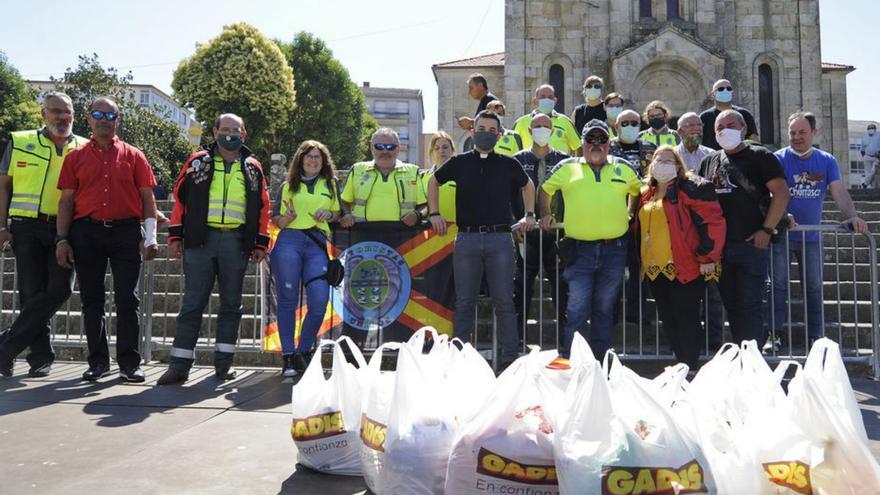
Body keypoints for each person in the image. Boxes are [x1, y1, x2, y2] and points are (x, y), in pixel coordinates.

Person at [158, 114, 270, 385]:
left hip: (236, 242)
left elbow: (263, 207)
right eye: (225, 129)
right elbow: (180, 200)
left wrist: (260, 242)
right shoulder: (197, 161)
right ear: (215, 130)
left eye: (236, 130)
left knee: (232, 305)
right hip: (200, 240)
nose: (230, 134)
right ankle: (179, 366)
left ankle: (224, 365)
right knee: (192, 304)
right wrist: (175, 237)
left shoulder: (253, 167)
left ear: (244, 134)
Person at [55, 97, 159, 382]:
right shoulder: (74, 158)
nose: (103, 119)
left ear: (118, 120)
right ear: (88, 119)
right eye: (97, 114)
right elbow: (66, 202)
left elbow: (147, 198)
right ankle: (98, 362)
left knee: (128, 299)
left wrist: (150, 236)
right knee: (92, 300)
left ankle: (129, 363)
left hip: (126, 233)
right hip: (86, 233)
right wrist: (61, 240)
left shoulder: (134, 155)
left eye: (109, 115)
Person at [427, 110, 536, 370]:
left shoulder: (508, 163)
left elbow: (528, 185)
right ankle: (459, 358)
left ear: (499, 135)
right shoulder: (459, 162)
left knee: (504, 301)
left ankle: (509, 359)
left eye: (492, 130)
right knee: (465, 301)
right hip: (467, 240)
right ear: (472, 132)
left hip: (500, 240)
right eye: (482, 129)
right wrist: (434, 213)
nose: (486, 133)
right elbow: (433, 181)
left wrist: (529, 214)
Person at [0, 93, 87, 378]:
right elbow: (4, 187)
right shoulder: (20, 140)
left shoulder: (85, 147)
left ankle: (6, 347)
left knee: (61, 289)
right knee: (31, 294)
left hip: (67, 229)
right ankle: (40, 357)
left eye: (67, 112)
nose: (62, 117)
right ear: (43, 113)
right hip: (26, 226)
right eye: (56, 111)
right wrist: (2, 226)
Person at [539, 120, 642, 360]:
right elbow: (545, 189)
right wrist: (545, 213)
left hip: (614, 249)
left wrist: (630, 213)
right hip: (579, 250)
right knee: (576, 307)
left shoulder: (624, 167)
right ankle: (570, 359)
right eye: (590, 140)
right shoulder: (567, 166)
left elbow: (638, 190)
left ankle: (599, 360)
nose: (596, 144)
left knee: (605, 308)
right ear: (582, 143)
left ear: (609, 144)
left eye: (602, 140)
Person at [768, 111, 868, 351]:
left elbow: (839, 192)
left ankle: (816, 336)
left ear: (814, 132)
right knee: (778, 285)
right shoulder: (778, 158)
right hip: (782, 235)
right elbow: (771, 193)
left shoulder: (826, 160)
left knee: (813, 286)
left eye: (802, 132)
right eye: (792, 133)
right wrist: (781, 215)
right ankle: (774, 335)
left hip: (811, 236)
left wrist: (852, 216)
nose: (797, 137)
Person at [699, 109, 790, 347]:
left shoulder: (761, 156)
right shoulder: (710, 161)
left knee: (750, 306)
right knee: (731, 306)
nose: (724, 130)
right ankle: (741, 359)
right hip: (720, 248)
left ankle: (753, 364)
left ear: (742, 129)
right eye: (719, 127)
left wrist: (767, 230)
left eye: (730, 125)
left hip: (751, 245)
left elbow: (781, 193)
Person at [636, 146, 725, 370]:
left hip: (686, 266)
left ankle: (690, 367)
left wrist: (708, 257)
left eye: (668, 160)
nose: (662, 163)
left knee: (687, 319)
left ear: (678, 165)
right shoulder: (645, 193)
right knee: (669, 319)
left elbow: (712, 223)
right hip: (655, 269)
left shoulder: (693, 188)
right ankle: (680, 365)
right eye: (658, 159)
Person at [270, 141, 340, 377]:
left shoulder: (331, 185)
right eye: (309, 156)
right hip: (289, 241)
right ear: (300, 159)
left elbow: (338, 213)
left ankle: (304, 350)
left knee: (320, 301)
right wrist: (286, 218)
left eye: (318, 157)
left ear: (324, 161)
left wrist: (329, 214)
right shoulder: (288, 186)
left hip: (316, 245)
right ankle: (288, 356)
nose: (313, 161)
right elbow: (276, 221)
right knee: (288, 301)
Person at [512, 113, 570, 344]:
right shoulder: (516, 160)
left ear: (553, 131)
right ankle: (517, 341)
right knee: (522, 288)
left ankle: (565, 343)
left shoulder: (565, 160)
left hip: (557, 234)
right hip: (525, 235)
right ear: (529, 130)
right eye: (537, 126)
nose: (542, 130)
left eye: (546, 126)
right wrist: (513, 223)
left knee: (561, 288)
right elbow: (508, 195)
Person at [338, 128, 425, 227]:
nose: (385, 151)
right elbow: (344, 201)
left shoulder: (413, 172)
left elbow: (425, 205)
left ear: (398, 149)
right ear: (372, 147)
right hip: (362, 237)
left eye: (390, 147)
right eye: (379, 146)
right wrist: (346, 214)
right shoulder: (357, 170)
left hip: (403, 237)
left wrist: (417, 215)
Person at [512, 84, 582, 155]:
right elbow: (511, 145)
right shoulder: (521, 123)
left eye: (550, 97)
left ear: (555, 101)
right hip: (528, 165)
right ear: (535, 101)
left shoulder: (565, 122)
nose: (547, 100)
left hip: (560, 165)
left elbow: (579, 147)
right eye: (543, 97)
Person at [699, 79, 759, 150]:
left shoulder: (744, 114)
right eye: (721, 89)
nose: (725, 91)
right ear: (712, 94)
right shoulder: (704, 117)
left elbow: (753, 139)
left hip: (740, 158)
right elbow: (699, 142)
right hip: (713, 159)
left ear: (732, 92)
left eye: (728, 88)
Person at [421, 131, 457, 223]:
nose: (441, 151)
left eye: (445, 147)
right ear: (432, 152)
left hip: (457, 232)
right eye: (437, 148)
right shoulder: (422, 177)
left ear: (452, 150)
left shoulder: (462, 176)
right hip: (430, 233)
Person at [609, 109, 657, 177]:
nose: (630, 126)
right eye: (625, 123)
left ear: (639, 126)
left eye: (634, 123)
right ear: (616, 127)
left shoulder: (651, 148)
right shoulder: (608, 147)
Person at [860, 123, 880, 188]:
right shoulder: (864, 138)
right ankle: (872, 187)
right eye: (869, 128)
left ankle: (865, 183)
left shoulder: (878, 136)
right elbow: (862, 148)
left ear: (875, 129)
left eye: (872, 128)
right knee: (868, 172)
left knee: (873, 171)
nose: (870, 130)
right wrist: (864, 156)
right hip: (867, 156)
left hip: (876, 157)